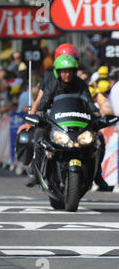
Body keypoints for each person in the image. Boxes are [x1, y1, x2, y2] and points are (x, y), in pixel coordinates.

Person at [25, 54, 101, 187]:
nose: (67, 74)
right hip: (56, 124)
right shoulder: (52, 84)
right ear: (58, 72)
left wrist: (96, 113)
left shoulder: (81, 84)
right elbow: (44, 102)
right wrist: (39, 114)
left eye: (70, 71)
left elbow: (89, 102)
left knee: (99, 140)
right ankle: (35, 170)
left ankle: (97, 174)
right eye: (64, 71)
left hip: (77, 124)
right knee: (39, 135)